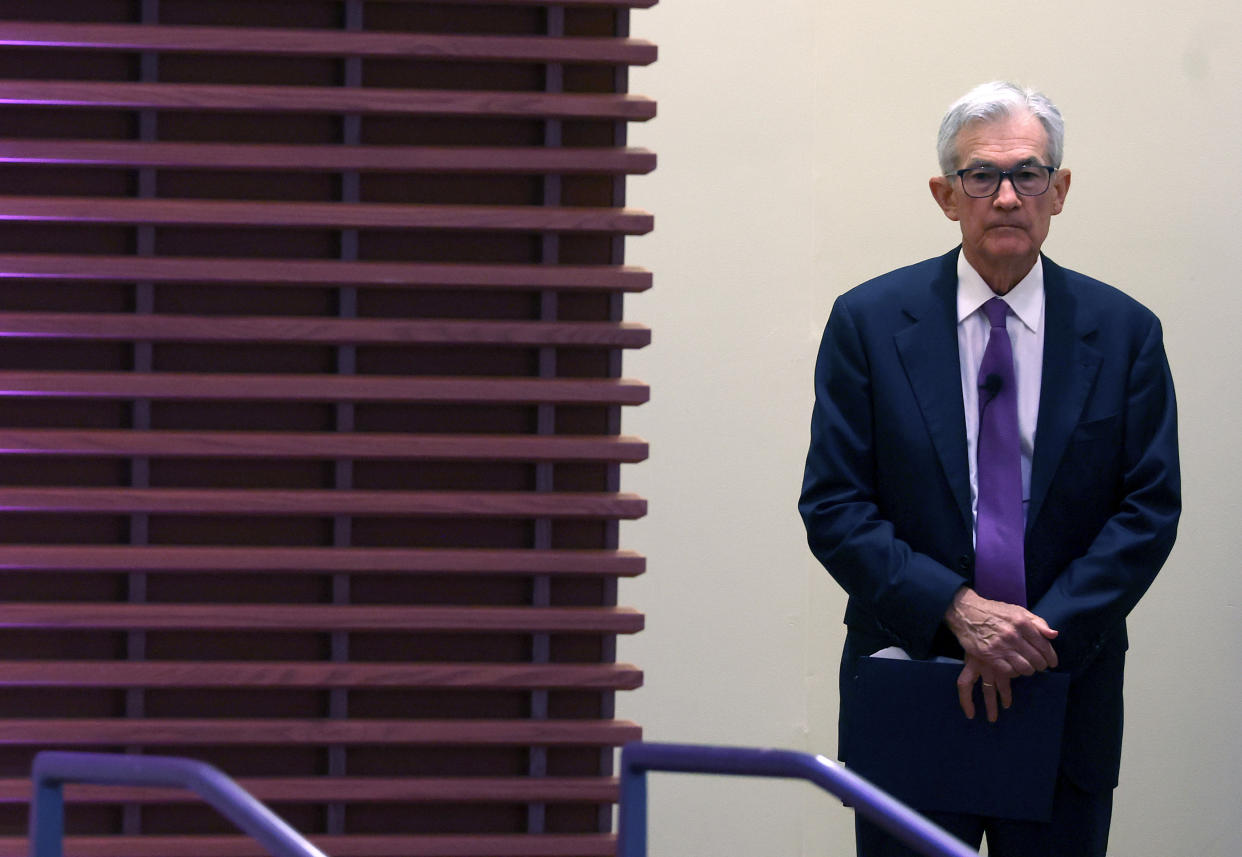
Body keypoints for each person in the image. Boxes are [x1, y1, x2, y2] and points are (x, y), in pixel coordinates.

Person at [798, 81, 1180, 857]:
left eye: (1029, 174)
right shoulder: (868, 324)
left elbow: (1147, 510)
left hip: (1063, 684)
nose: (1007, 195)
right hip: (914, 676)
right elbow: (834, 505)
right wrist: (959, 611)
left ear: (1059, 191)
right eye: (982, 176)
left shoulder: (1126, 332)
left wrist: (1033, 639)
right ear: (946, 195)